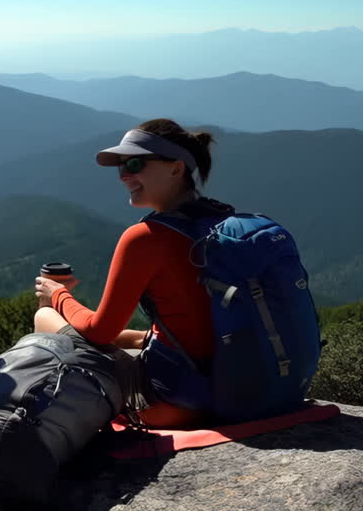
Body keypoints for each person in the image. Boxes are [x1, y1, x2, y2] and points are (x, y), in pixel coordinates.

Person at [33, 118, 226, 428]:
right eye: (120, 166)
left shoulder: (145, 238)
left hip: (173, 401)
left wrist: (57, 295)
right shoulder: (226, 224)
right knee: (129, 338)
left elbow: (100, 332)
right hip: (233, 388)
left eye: (135, 163)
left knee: (44, 318)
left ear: (176, 168)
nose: (123, 175)